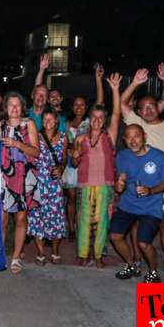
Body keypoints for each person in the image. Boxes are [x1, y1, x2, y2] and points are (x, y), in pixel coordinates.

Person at [120, 67, 164, 278]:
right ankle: (137, 255)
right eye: (143, 108)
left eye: (152, 106)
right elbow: (121, 104)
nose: (148, 110)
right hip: (139, 184)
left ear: (158, 108)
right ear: (138, 112)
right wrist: (135, 83)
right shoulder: (136, 124)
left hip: (163, 184)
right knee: (136, 222)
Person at [69, 73, 122, 271]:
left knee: (102, 222)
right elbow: (74, 164)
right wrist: (74, 156)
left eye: (101, 117)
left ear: (104, 119)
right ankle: (83, 256)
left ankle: (98, 256)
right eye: (94, 117)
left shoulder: (110, 134)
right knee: (83, 222)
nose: (97, 120)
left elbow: (117, 113)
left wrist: (115, 89)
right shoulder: (81, 137)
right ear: (89, 119)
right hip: (84, 184)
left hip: (105, 185)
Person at [109, 124, 164, 283]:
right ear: (124, 140)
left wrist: (150, 191)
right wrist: (120, 185)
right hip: (128, 204)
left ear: (144, 136)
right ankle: (131, 265)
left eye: (136, 135)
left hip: (150, 207)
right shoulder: (123, 155)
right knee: (115, 236)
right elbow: (122, 177)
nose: (133, 140)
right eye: (129, 136)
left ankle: (153, 272)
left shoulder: (158, 156)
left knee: (144, 243)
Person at [0, 91, 40, 274]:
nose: (14, 108)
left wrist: (17, 143)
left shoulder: (29, 124)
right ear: (5, 107)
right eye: (10, 104)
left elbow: (36, 152)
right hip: (3, 177)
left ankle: (16, 258)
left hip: (24, 176)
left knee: (20, 219)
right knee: (2, 220)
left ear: (22, 107)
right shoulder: (0, 124)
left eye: (17, 104)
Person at [61, 65, 105, 243]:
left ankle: (86, 228)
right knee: (71, 198)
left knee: (86, 199)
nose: (79, 107)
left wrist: (98, 79)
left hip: (88, 163)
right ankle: (71, 227)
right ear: (72, 107)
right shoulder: (64, 123)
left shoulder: (91, 121)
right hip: (70, 165)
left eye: (82, 104)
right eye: (76, 104)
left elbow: (100, 101)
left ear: (87, 107)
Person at [29, 106, 67, 265]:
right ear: (42, 121)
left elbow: (64, 159)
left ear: (57, 120)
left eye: (51, 118)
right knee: (37, 216)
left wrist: (61, 167)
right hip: (38, 182)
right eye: (45, 119)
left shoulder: (64, 138)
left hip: (54, 183)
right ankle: (40, 251)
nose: (48, 122)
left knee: (56, 216)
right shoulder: (36, 136)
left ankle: (56, 250)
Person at [32, 54, 66, 131]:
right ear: (32, 95)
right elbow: (37, 88)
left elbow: (60, 140)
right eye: (38, 94)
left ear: (47, 99)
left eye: (44, 95)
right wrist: (41, 69)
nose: (41, 97)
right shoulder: (23, 114)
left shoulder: (55, 117)